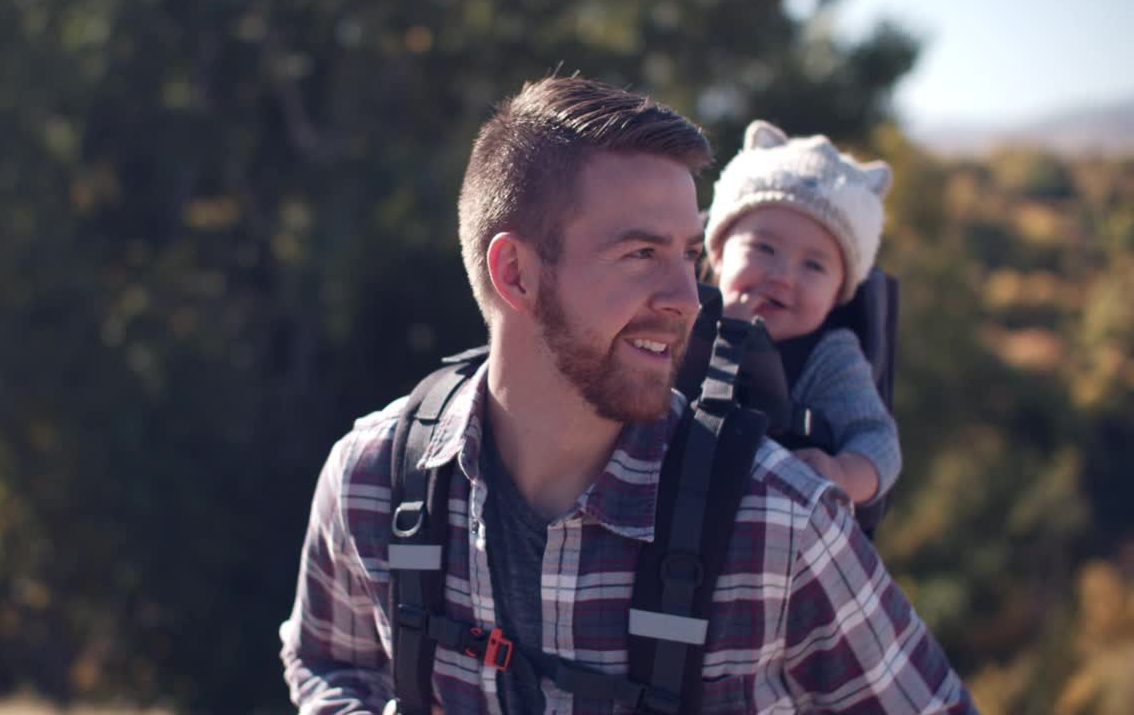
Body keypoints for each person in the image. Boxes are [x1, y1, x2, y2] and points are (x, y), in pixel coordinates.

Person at [280, 76, 975, 714]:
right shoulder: (371, 480)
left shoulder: (781, 525)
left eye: (691, 257)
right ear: (516, 274)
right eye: (642, 254)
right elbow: (329, 665)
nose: (688, 300)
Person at [702, 120, 901, 509]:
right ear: (720, 253)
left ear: (839, 295)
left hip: (764, 531)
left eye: (814, 266)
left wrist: (841, 473)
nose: (783, 277)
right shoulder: (675, 314)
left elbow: (879, 440)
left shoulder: (829, 357)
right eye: (764, 249)